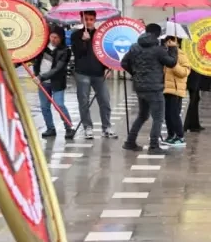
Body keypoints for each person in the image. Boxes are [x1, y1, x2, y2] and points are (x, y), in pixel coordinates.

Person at [121, 23, 178, 153]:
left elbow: (124, 63)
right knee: (158, 118)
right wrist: (173, 49)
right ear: (158, 34)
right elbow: (172, 63)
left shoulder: (134, 47)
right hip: (154, 88)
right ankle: (153, 146)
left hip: (139, 87)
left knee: (142, 116)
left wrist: (135, 74)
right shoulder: (158, 50)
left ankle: (130, 142)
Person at [69, 8, 115, 139]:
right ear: (81, 20)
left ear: (95, 20)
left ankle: (106, 127)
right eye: (86, 19)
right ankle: (87, 127)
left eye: (91, 19)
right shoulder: (75, 35)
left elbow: (105, 52)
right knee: (84, 101)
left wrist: (107, 67)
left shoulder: (100, 34)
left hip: (99, 73)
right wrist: (84, 41)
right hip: (82, 73)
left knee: (104, 100)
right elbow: (77, 53)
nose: (88, 22)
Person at [33, 27, 74, 140]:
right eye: (52, 36)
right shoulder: (41, 48)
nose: (53, 39)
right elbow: (34, 60)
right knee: (44, 106)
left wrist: (41, 77)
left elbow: (57, 69)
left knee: (59, 105)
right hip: (42, 83)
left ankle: (69, 127)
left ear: (61, 38)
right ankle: (50, 128)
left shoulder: (65, 51)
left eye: (56, 37)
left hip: (57, 82)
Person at [162, 37, 191, 147]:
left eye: (171, 41)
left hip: (176, 89)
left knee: (174, 114)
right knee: (167, 115)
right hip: (166, 88)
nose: (168, 43)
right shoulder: (165, 54)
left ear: (177, 43)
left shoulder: (181, 54)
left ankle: (180, 137)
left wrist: (173, 64)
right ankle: (171, 135)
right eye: (167, 41)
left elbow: (184, 72)